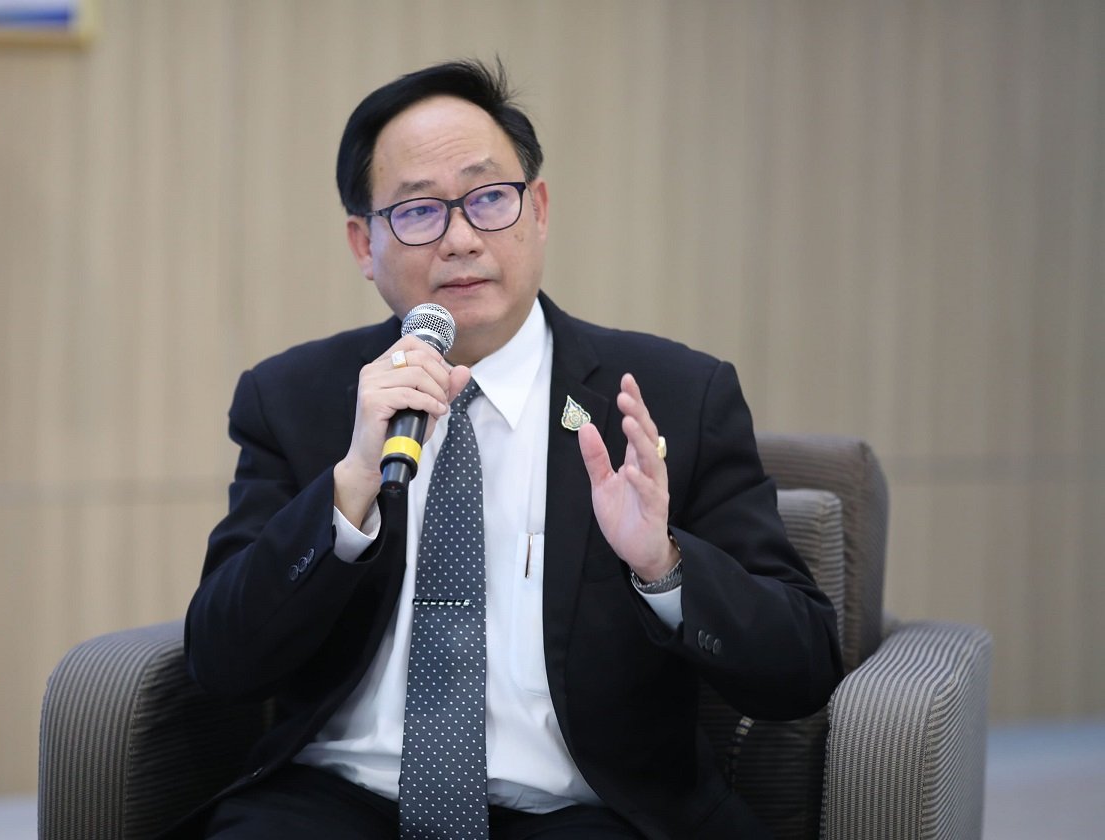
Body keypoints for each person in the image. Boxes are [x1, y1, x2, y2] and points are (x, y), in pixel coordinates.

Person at [180, 59, 842, 839]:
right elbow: (220, 662)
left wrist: (663, 565)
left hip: (588, 812)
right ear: (364, 243)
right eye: (419, 211)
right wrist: (349, 490)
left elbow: (801, 668)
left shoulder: (673, 396)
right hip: (337, 803)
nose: (462, 239)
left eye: (490, 198)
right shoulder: (296, 398)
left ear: (539, 209)